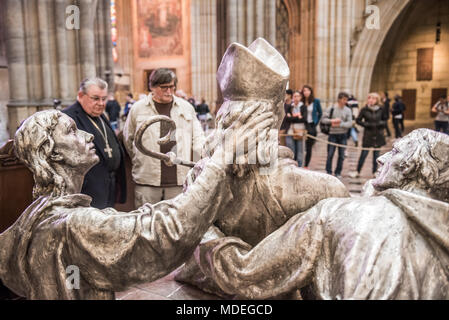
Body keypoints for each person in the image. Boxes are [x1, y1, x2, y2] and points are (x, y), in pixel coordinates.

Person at [0, 104, 273, 300]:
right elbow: (163, 232)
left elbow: (142, 220)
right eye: (72, 131)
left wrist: (199, 185)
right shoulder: (73, 224)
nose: (88, 135)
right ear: (52, 153)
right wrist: (221, 159)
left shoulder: (39, 213)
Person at [195, 129, 449, 300]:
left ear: (416, 167)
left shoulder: (339, 214)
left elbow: (243, 273)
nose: (381, 159)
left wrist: (201, 219)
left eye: (395, 153)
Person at [123, 68, 205, 206]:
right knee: (146, 225)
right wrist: (142, 159)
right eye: (164, 87)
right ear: (152, 87)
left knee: (177, 224)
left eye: (172, 87)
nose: (169, 91)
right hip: (147, 182)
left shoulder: (186, 108)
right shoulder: (138, 108)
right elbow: (129, 140)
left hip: (178, 182)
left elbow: (198, 138)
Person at [62, 78, 126, 209]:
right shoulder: (67, 118)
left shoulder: (101, 116)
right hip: (87, 191)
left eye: (104, 99)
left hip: (109, 187)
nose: (101, 103)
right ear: (81, 96)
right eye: (95, 98)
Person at [350, 92, 387, 178]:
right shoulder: (364, 109)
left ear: (377, 100)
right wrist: (367, 124)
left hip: (378, 135)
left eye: (373, 98)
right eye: (369, 98)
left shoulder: (381, 109)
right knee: (364, 154)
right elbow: (358, 120)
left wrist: (379, 123)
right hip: (368, 135)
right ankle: (357, 171)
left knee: (376, 155)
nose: (371, 100)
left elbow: (385, 120)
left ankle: (375, 171)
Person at [321, 92, 352, 178]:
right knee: (330, 154)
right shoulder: (331, 108)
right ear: (339, 99)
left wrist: (340, 124)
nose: (345, 101)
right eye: (344, 99)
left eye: (346, 99)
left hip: (343, 135)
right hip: (332, 134)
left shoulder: (348, 110)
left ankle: (338, 172)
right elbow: (323, 119)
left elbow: (350, 123)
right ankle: (328, 172)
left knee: (341, 155)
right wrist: (332, 121)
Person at [301, 85, 322, 169]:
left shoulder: (316, 101)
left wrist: (316, 122)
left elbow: (320, 113)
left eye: (307, 90)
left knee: (309, 147)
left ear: (310, 91)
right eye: (304, 91)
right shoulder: (301, 101)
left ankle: (306, 165)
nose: (305, 92)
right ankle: (299, 163)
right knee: (301, 147)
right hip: (303, 124)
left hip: (312, 125)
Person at [285, 90, 305, 167]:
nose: (296, 98)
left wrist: (292, 116)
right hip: (290, 130)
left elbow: (303, 118)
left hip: (300, 130)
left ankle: (299, 167)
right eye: (295, 96)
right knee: (291, 149)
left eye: (298, 96)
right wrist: (297, 116)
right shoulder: (290, 106)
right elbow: (287, 118)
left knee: (300, 150)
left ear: (300, 97)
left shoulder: (303, 107)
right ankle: (291, 166)